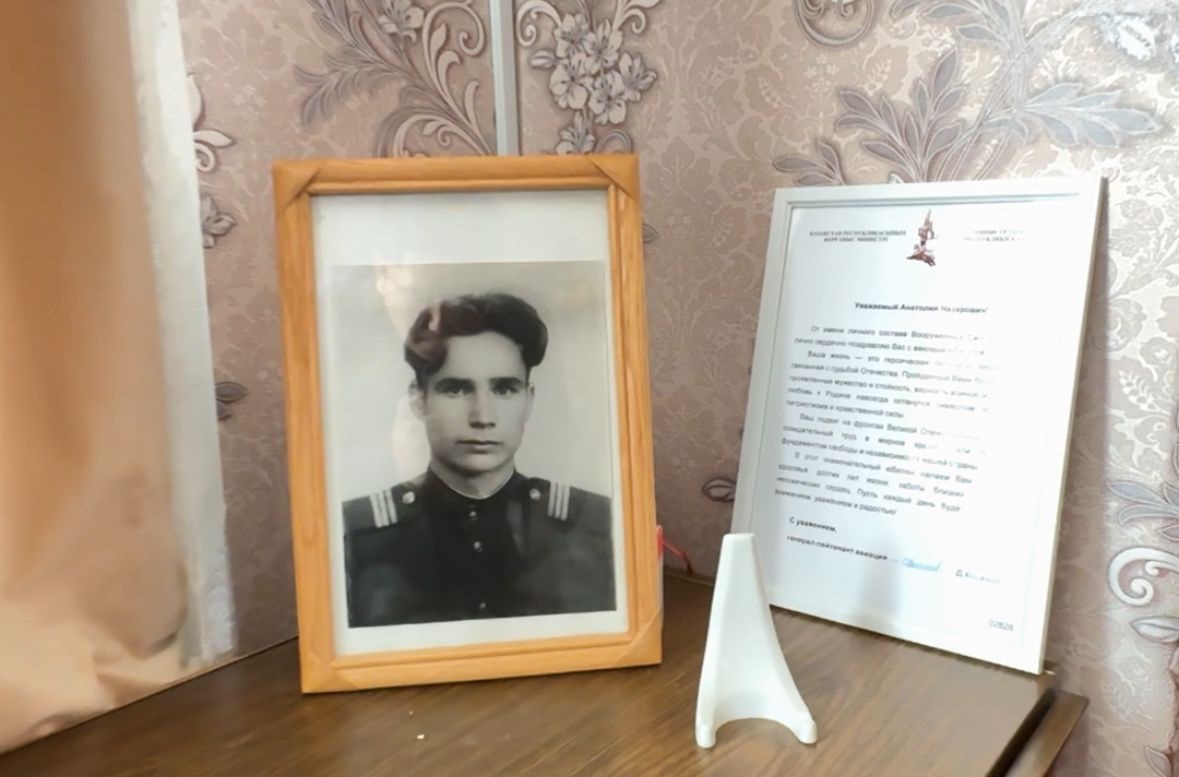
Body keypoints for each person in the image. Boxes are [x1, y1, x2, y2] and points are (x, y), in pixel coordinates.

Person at [342, 292, 615, 627]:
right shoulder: (359, 534)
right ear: (418, 400)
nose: (483, 417)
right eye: (457, 389)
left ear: (528, 401)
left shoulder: (594, 525)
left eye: (504, 389)